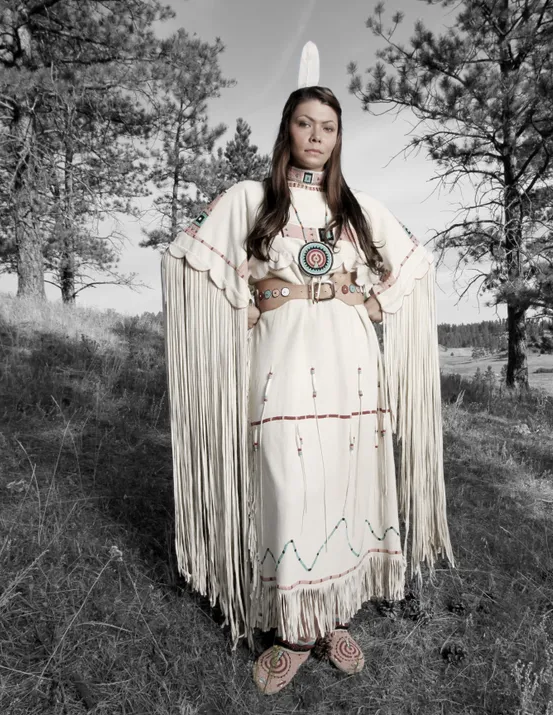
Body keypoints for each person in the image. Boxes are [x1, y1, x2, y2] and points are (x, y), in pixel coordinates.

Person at [161, 43, 453, 695]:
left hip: (352, 362)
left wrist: (370, 300)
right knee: (290, 485)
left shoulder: (359, 208)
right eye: (305, 124)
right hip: (284, 363)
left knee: (346, 483)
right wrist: (238, 307)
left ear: (339, 138)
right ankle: (291, 628)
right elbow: (192, 262)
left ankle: (333, 618)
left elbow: (414, 265)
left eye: (329, 128)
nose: (316, 137)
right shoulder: (247, 200)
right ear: (286, 131)